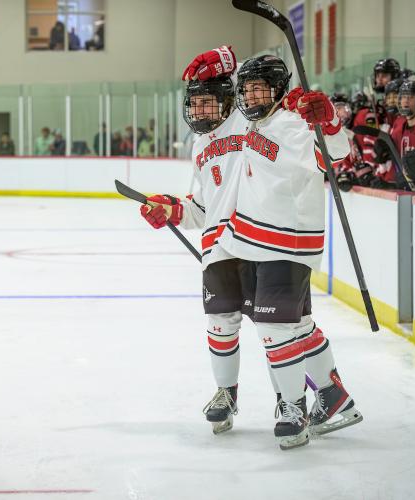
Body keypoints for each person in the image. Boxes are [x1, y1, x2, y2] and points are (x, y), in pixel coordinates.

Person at [221, 55, 361, 449]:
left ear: (279, 88)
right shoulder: (250, 124)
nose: (251, 95)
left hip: (289, 239)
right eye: (246, 88)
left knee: (273, 328)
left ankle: (292, 407)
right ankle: (334, 398)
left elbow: (335, 157)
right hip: (254, 241)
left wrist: (328, 120)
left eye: (260, 86)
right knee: (295, 326)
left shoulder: (298, 120)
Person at [138, 45, 248, 434]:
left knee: (281, 328)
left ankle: (299, 398)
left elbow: (245, 68)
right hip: (220, 248)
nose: (200, 111)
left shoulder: (250, 124)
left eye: (208, 102)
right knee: (220, 323)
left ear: (229, 98)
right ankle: (225, 392)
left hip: (261, 242)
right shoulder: (200, 145)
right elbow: (202, 206)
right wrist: (171, 209)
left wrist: (222, 59)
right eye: (195, 104)